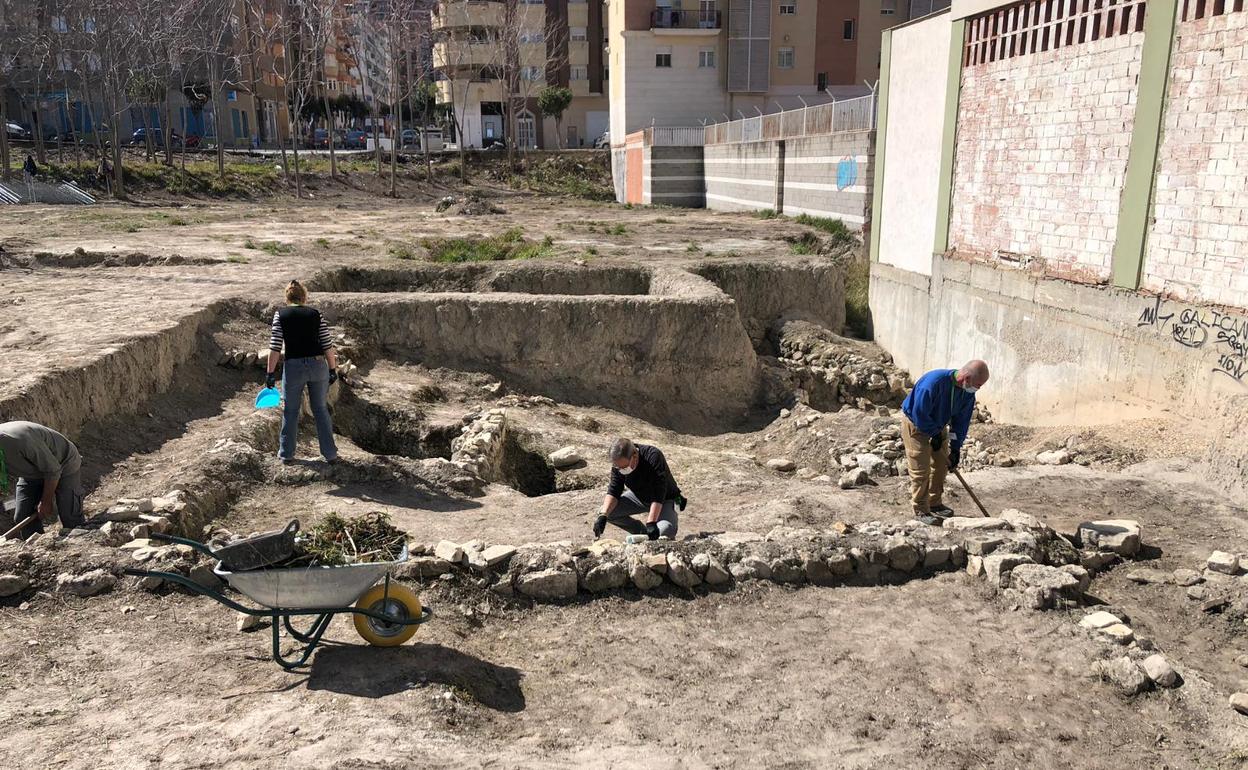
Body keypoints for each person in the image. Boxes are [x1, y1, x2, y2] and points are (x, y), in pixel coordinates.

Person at [899, 360, 990, 525]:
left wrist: (955, 448)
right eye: (978, 384)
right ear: (966, 378)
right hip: (916, 423)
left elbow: (961, 421)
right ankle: (920, 509)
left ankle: (934, 503)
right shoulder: (933, 383)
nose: (978, 388)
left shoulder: (967, 393)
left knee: (941, 465)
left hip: (939, 426)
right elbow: (920, 412)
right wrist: (932, 434)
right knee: (921, 468)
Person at [266, 280, 339, 464]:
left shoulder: (280, 315)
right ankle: (330, 454)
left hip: (294, 367)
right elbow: (327, 344)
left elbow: (275, 346)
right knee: (321, 409)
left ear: (287, 297)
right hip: (318, 365)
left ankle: (286, 454)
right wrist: (332, 368)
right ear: (304, 297)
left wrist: (270, 373)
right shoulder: (315, 314)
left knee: (290, 410)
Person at [0, 421, 86, 535]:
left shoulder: (20, 440)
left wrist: (46, 501)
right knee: (22, 517)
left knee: (70, 518)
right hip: (31, 473)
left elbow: (53, 470)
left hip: (64, 464)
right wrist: (7, 503)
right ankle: (35, 547)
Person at [593, 438, 686, 541]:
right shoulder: (618, 464)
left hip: (665, 499)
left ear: (635, 455)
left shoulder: (653, 456)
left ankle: (652, 534)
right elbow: (614, 489)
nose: (622, 470)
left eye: (625, 467)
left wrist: (651, 522)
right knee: (605, 511)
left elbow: (658, 492)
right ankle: (642, 533)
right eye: (618, 468)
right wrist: (603, 515)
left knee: (664, 531)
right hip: (640, 497)